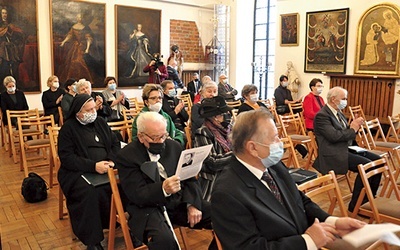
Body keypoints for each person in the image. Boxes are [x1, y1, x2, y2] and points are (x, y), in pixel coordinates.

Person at [211, 108, 366, 249]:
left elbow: (300, 200)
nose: (281, 143)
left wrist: (333, 222)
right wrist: (307, 241)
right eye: (275, 138)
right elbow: (249, 247)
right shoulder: (227, 192)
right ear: (252, 148)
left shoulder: (274, 166)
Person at [116, 111, 213, 249]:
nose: (161, 141)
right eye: (155, 138)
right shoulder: (126, 156)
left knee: (223, 214)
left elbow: (190, 178)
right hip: (147, 208)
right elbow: (136, 194)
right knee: (164, 240)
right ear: (141, 136)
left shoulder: (174, 147)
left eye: (164, 135)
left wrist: (192, 204)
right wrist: (163, 189)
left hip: (178, 203)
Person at [58, 94, 121, 250]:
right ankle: (93, 241)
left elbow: (115, 143)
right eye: (89, 109)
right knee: (90, 192)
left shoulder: (100, 122)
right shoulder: (68, 128)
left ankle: (127, 226)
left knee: (126, 183)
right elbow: (67, 158)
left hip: (107, 168)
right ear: (78, 112)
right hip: (77, 171)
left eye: (94, 108)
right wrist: (93, 166)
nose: (94, 112)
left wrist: (111, 161)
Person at [313, 86, 382, 212]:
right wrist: (353, 129)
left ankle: (369, 198)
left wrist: (353, 127)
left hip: (345, 147)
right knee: (366, 166)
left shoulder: (338, 113)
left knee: (377, 161)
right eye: (343, 98)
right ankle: (357, 205)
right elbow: (334, 137)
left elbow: (345, 134)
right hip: (332, 153)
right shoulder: (322, 116)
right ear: (333, 99)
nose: (346, 101)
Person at [194, 96, 233, 201]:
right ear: (214, 117)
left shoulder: (228, 130)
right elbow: (212, 163)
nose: (227, 116)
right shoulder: (203, 132)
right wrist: (237, 154)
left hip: (230, 174)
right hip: (213, 180)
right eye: (222, 114)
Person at [131, 83, 185, 148]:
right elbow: (136, 140)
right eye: (153, 98)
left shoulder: (165, 116)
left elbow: (176, 132)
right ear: (146, 102)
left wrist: (175, 142)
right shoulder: (140, 118)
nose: (158, 101)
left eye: (160, 98)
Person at [58, 13, 96, 84]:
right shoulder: (74, 27)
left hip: (83, 46)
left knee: (80, 62)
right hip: (75, 46)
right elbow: (70, 35)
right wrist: (63, 42)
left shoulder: (85, 28)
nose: (79, 18)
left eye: (80, 17)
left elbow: (88, 39)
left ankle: (85, 79)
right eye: (78, 17)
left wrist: (87, 49)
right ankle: (72, 80)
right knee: (71, 62)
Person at [0, 7, 25, 86]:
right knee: (4, 69)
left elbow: (19, 36)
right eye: (3, 13)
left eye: (5, 13)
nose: (4, 15)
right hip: (2, 53)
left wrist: (13, 44)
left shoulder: (11, 26)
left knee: (13, 69)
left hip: (11, 52)